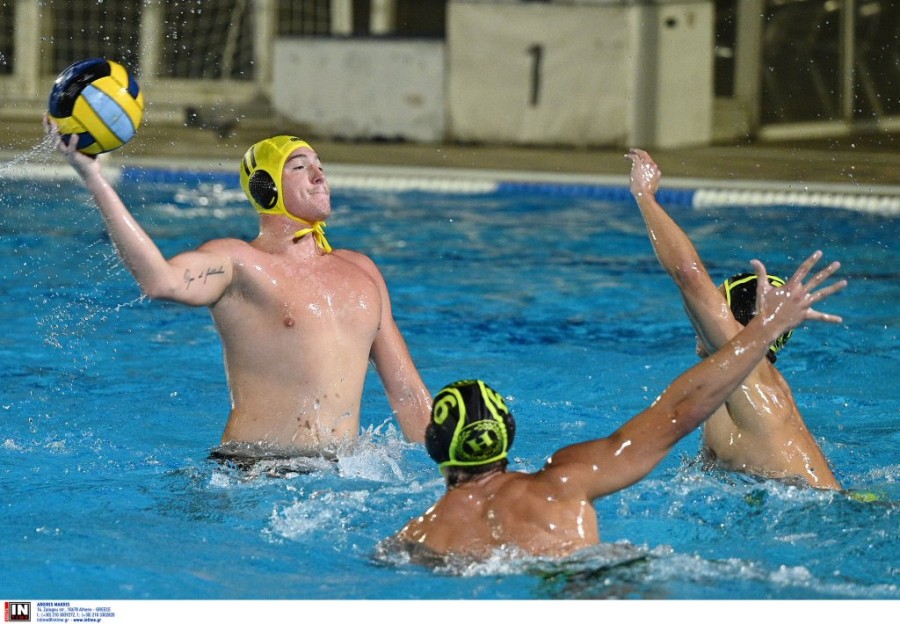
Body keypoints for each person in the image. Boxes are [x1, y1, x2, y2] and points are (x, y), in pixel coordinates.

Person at [388, 252, 846, 560]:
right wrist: (763, 332)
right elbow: (677, 413)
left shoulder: (413, 539)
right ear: (509, 430)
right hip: (597, 581)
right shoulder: (564, 481)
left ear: (433, 446)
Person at [46, 123, 432, 460]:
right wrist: (94, 178)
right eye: (299, 167)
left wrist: (463, 476)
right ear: (267, 188)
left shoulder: (362, 272)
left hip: (339, 472)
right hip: (253, 472)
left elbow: (409, 396)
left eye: (319, 166)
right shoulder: (238, 263)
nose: (319, 176)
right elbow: (160, 281)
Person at [626, 147, 841, 490]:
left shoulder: (747, 374)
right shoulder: (731, 386)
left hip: (826, 517)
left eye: (713, 310)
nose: (698, 320)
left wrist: (645, 197)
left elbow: (689, 275)